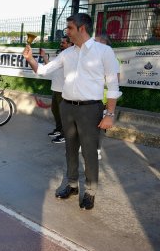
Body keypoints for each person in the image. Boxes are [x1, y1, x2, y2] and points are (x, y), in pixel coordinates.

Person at [23, 13, 122, 210]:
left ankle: (91, 191)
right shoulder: (67, 53)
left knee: (89, 152)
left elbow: (112, 84)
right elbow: (43, 70)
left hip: (90, 109)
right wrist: (31, 59)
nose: (66, 32)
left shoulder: (104, 51)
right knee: (70, 149)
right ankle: (72, 184)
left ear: (81, 28)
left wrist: (109, 114)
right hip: (67, 107)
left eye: (69, 28)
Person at [39, 36, 73, 143]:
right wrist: (44, 56)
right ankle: (59, 129)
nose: (61, 44)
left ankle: (65, 135)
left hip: (64, 91)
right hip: (56, 89)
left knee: (64, 114)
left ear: (70, 44)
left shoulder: (71, 56)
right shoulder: (61, 54)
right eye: (61, 42)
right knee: (55, 111)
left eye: (63, 42)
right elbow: (50, 66)